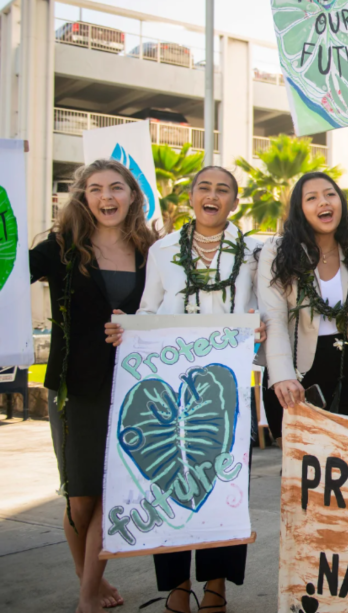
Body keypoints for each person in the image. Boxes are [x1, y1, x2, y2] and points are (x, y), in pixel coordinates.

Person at [105, 166, 265, 613]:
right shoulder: (161, 251)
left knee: (225, 485)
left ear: (235, 202)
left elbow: (260, 307)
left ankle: (216, 585)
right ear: (191, 196)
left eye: (224, 190)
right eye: (204, 188)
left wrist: (261, 328)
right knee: (165, 487)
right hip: (167, 386)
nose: (213, 195)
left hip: (226, 390)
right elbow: (149, 309)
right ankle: (176, 585)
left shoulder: (254, 252)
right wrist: (129, 329)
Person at [30, 159, 156, 613]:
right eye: (97, 188)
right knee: (80, 493)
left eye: (117, 188)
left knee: (113, 490)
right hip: (77, 386)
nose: (107, 196)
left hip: (137, 386)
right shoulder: (59, 249)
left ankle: (88, 594)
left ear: (132, 196)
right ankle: (90, 578)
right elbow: (9, 277)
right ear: (83, 197)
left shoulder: (152, 251)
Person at [258, 172, 348, 439]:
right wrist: (282, 376)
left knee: (346, 464)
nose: (323, 202)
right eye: (312, 198)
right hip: (294, 367)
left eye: (330, 194)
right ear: (299, 209)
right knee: (299, 468)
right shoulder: (277, 250)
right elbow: (273, 318)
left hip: (347, 367)